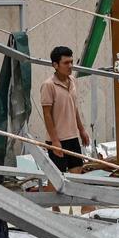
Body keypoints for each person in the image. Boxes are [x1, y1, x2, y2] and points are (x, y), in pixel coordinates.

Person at [39, 46, 91, 174]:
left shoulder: (72, 81)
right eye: (66, 63)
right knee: (58, 179)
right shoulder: (48, 85)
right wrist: (55, 141)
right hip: (57, 140)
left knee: (77, 173)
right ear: (55, 65)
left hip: (73, 137)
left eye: (71, 62)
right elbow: (47, 114)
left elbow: (74, 107)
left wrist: (82, 129)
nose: (70, 66)